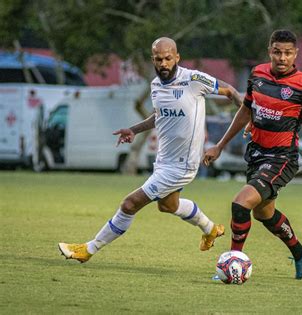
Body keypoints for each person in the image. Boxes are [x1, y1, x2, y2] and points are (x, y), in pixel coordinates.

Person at [59, 37, 242, 262]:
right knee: (168, 206)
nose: (163, 63)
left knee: (129, 204)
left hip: (183, 165)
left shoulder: (193, 79)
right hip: (164, 160)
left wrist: (248, 119)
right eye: (158, 59)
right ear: (152, 60)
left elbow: (231, 91)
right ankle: (210, 228)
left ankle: (88, 249)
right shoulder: (155, 85)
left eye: (168, 58)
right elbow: (160, 116)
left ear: (177, 57)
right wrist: (134, 130)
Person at [204, 30, 302, 280]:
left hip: (282, 159)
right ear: (270, 51)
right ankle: (301, 254)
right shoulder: (257, 74)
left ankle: (233, 263)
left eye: (288, 53)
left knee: (240, 204)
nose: (282, 57)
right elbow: (246, 111)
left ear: (295, 54)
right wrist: (220, 145)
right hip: (256, 155)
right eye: (277, 51)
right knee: (263, 213)